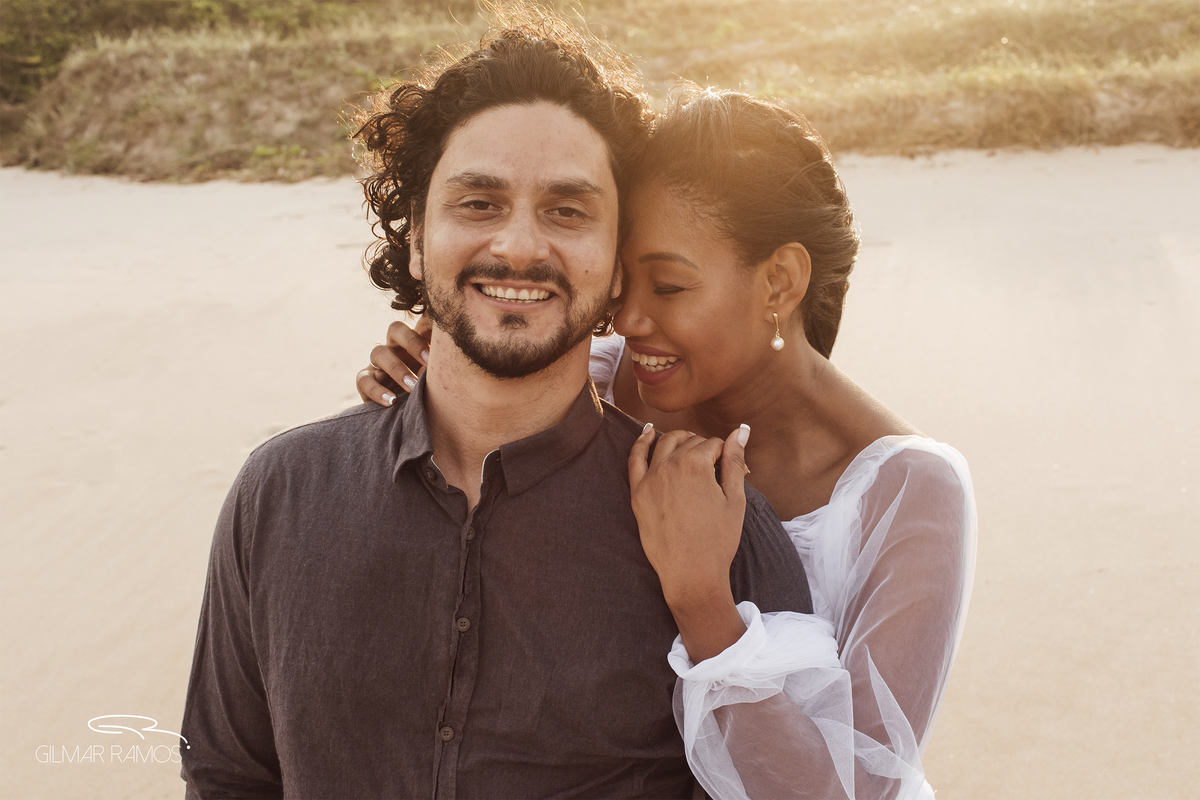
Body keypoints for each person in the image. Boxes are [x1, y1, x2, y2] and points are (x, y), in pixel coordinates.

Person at [179, 13, 814, 800]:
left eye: (568, 210)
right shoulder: (280, 492)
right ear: (416, 239)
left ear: (618, 264)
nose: (518, 247)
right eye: (478, 203)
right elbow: (227, 777)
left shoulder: (718, 528)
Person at [361, 86, 977, 799]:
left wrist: (702, 601)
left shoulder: (905, 491)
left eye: (670, 287)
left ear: (779, 282)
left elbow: (859, 790)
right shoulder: (594, 384)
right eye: (625, 280)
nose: (627, 319)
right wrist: (437, 367)